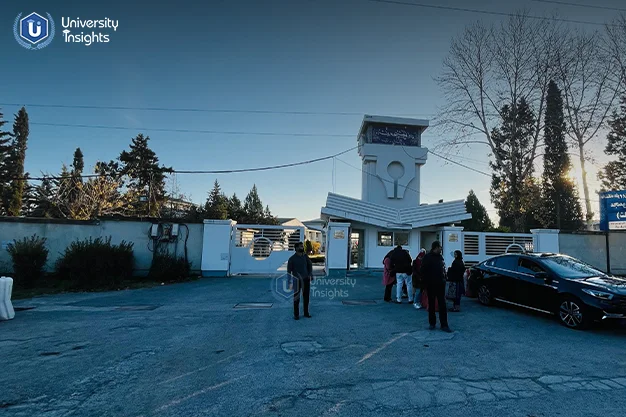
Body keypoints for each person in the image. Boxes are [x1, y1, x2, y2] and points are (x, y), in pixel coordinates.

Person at [420, 241, 452, 332]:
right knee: (432, 304)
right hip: (431, 284)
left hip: (441, 284)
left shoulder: (440, 257)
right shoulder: (427, 257)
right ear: (435, 247)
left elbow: (442, 269)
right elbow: (423, 271)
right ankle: (432, 323)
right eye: (440, 247)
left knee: (442, 304)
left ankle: (444, 324)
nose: (441, 249)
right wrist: (425, 283)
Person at [287, 241, 313, 320]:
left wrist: (310, 274)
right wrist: (289, 282)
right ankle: (296, 315)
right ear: (296, 248)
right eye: (301, 246)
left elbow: (310, 265)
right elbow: (288, 271)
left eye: (302, 246)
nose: (302, 248)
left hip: (306, 280)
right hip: (297, 281)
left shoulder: (305, 256)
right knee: (296, 298)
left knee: (306, 298)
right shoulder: (292, 259)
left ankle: (306, 313)